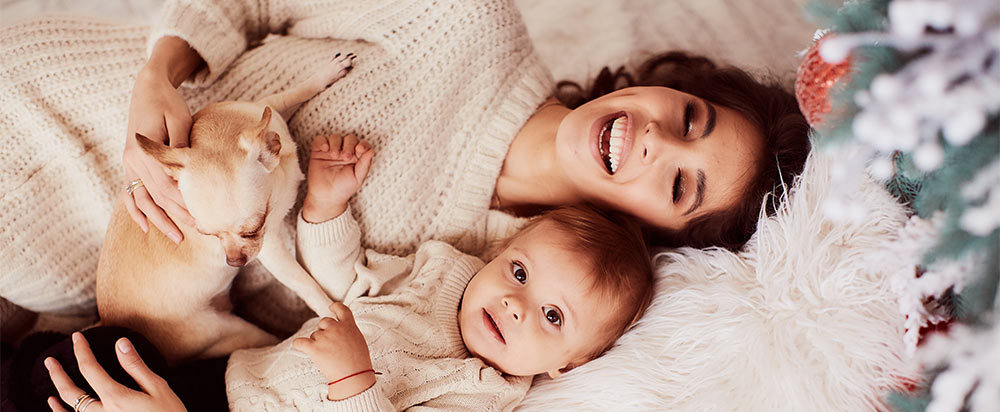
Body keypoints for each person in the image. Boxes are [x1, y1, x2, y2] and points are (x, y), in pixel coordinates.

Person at [1, 136, 655, 412]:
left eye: (550, 314)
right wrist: (326, 210)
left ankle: (17, 409)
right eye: (518, 271)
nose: (515, 302)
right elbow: (346, 280)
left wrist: (354, 382)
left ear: (565, 365)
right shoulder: (444, 273)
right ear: (501, 253)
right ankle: (38, 409)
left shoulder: (477, 399)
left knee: (91, 362)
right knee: (112, 348)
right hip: (230, 376)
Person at [0, 0, 810, 335]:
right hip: (50, 92)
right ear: (671, 85)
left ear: (660, 230)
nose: (654, 140)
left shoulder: (502, 284)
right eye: (692, 118)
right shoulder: (465, 16)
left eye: (679, 183)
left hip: (68, 273)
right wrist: (159, 75)